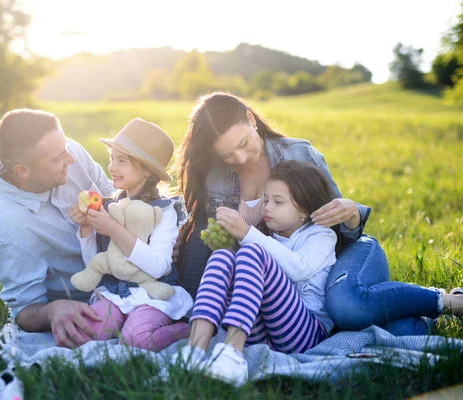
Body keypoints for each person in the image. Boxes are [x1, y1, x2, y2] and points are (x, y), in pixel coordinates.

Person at [175, 91, 463, 337]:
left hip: (339, 253)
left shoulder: (297, 155)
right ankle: (414, 313)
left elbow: (342, 230)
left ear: (251, 119)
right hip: (296, 285)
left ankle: (447, 301)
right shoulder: (215, 177)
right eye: (226, 155)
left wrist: (351, 213)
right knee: (401, 332)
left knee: (345, 307)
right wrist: (185, 306)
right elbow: (203, 246)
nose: (239, 158)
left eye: (242, 144)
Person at [175, 161, 340, 385]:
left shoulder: (321, 236)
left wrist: (246, 233)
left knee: (252, 251)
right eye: (266, 200)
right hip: (263, 334)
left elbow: (298, 268)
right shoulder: (267, 236)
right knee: (222, 257)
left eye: (278, 202)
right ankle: (193, 353)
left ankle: (232, 355)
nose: (267, 208)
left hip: (303, 335)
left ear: (304, 209)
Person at [0, 108, 115, 348]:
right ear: (23, 171)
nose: (71, 158)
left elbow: (117, 199)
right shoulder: (6, 227)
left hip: (132, 257)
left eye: (65, 147)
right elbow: (24, 310)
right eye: (57, 158)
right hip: (98, 298)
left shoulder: (68, 151)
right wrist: (53, 310)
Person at [70, 118, 193, 351]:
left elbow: (159, 267)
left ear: (147, 169)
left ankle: (184, 327)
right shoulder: (108, 207)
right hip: (115, 294)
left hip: (152, 294)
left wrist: (114, 230)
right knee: (82, 335)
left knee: (137, 340)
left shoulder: (164, 211)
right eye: (112, 159)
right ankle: (120, 322)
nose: (112, 168)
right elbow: (95, 265)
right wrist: (86, 230)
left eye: (122, 161)